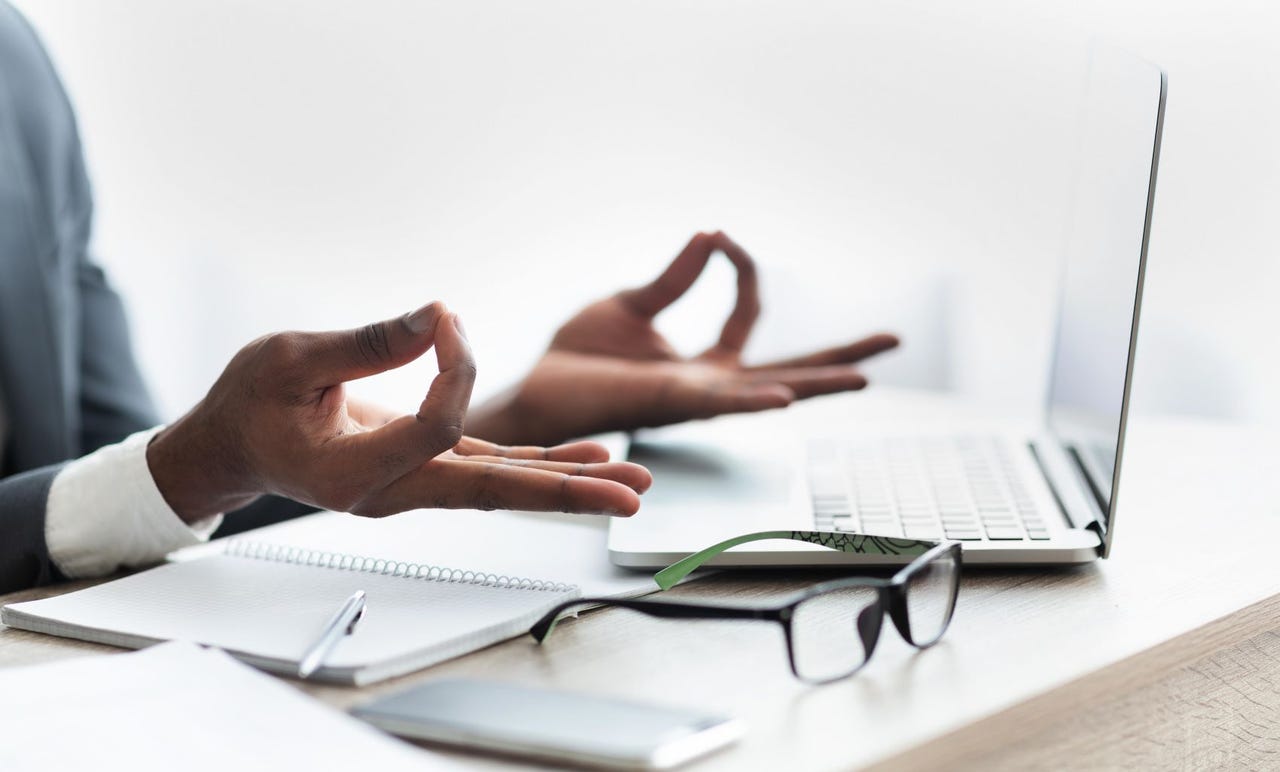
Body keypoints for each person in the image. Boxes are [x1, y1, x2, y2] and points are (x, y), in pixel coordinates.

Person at [0, 2, 898, 594]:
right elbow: (150, 482)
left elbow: (113, 497)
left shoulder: (18, 62)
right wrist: (199, 463)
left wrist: (518, 414)